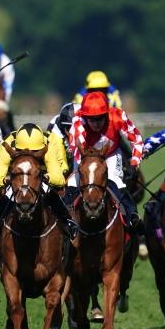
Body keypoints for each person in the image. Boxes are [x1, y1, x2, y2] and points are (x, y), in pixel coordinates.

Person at [0, 123, 78, 242]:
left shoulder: (50, 144)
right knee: (8, 193)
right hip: (17, 175)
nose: (29, 156)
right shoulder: (6, 146)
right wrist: (7, 179)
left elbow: (59, 179)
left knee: (49, 191)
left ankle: (67, 220)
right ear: (16, 148)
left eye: (35, 152)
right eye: (23, 152)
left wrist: (42, 177)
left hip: (43, 172)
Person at [68, 91, 143, 229]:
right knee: (73, 182)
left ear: (107, 114)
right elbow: (76, 150)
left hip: (110, 155)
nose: (96, 123)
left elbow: (136, 139)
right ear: (85, 116)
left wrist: (134, 162)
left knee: (116, 180)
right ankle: (66, 220)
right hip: (85, 157)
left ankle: (132, 217)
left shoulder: (118, 116)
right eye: (92, 119)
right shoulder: (78, 121)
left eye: (100, 118)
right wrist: (87, 169)